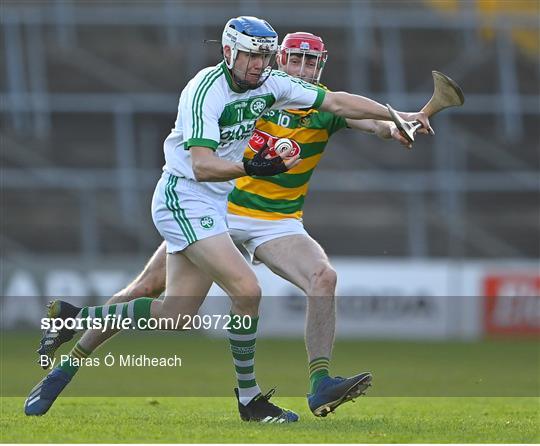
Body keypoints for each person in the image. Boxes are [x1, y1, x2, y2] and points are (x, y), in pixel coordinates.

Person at [25, 18, 431, 422]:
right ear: (229, 52)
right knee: (235, 289)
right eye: (253, 55)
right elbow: (201, 166)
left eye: (264, 56)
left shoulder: (278, 87)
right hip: (188, 198)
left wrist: (397, 116)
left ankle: (70, 327)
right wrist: (256, 165)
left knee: (177, 316)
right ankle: (249, 400)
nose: (259, 64)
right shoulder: (205, 91)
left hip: (237, 212)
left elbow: (342, 103)